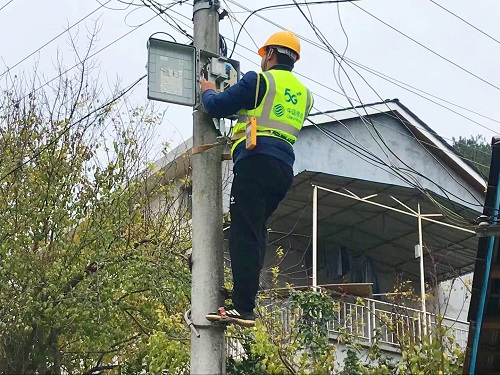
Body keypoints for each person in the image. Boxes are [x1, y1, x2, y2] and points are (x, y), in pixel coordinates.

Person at [201, 30, 314, 327]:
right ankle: (245, 297)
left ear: (271, 54)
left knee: (243, 233)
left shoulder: (259, 80)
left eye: (264, 54)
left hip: (255, 163)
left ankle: (243, 306)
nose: (262, 59)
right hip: (282, 169)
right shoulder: (305, 95)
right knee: (255, 232)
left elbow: (215, 107)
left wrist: (207, 89)